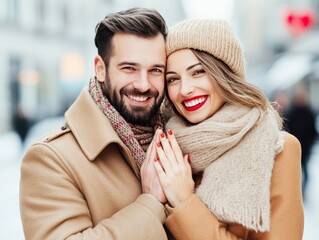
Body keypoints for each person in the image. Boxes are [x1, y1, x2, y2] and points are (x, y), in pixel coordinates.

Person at [144, 19, 304, 239]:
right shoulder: (163, 148)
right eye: (173, 79)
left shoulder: (278, 150)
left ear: (224, 74)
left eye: (198, 72)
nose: (185, 89)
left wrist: (184, 202)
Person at [20, 8, 171, 239]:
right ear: (101, 69)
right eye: (129, 68)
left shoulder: (179, 139)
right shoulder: (50, 158)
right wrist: (150, 204)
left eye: (155, 70)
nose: (143, 84)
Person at [287, 86, 318, 197]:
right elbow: (287, 128)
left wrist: (312, 142)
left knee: (305, 173)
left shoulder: (309, 112)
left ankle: (302, 192)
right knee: (294, 171)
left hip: (306, 148)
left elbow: (313, 130)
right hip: (293, 148)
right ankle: (296, 192)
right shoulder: (291, 112)